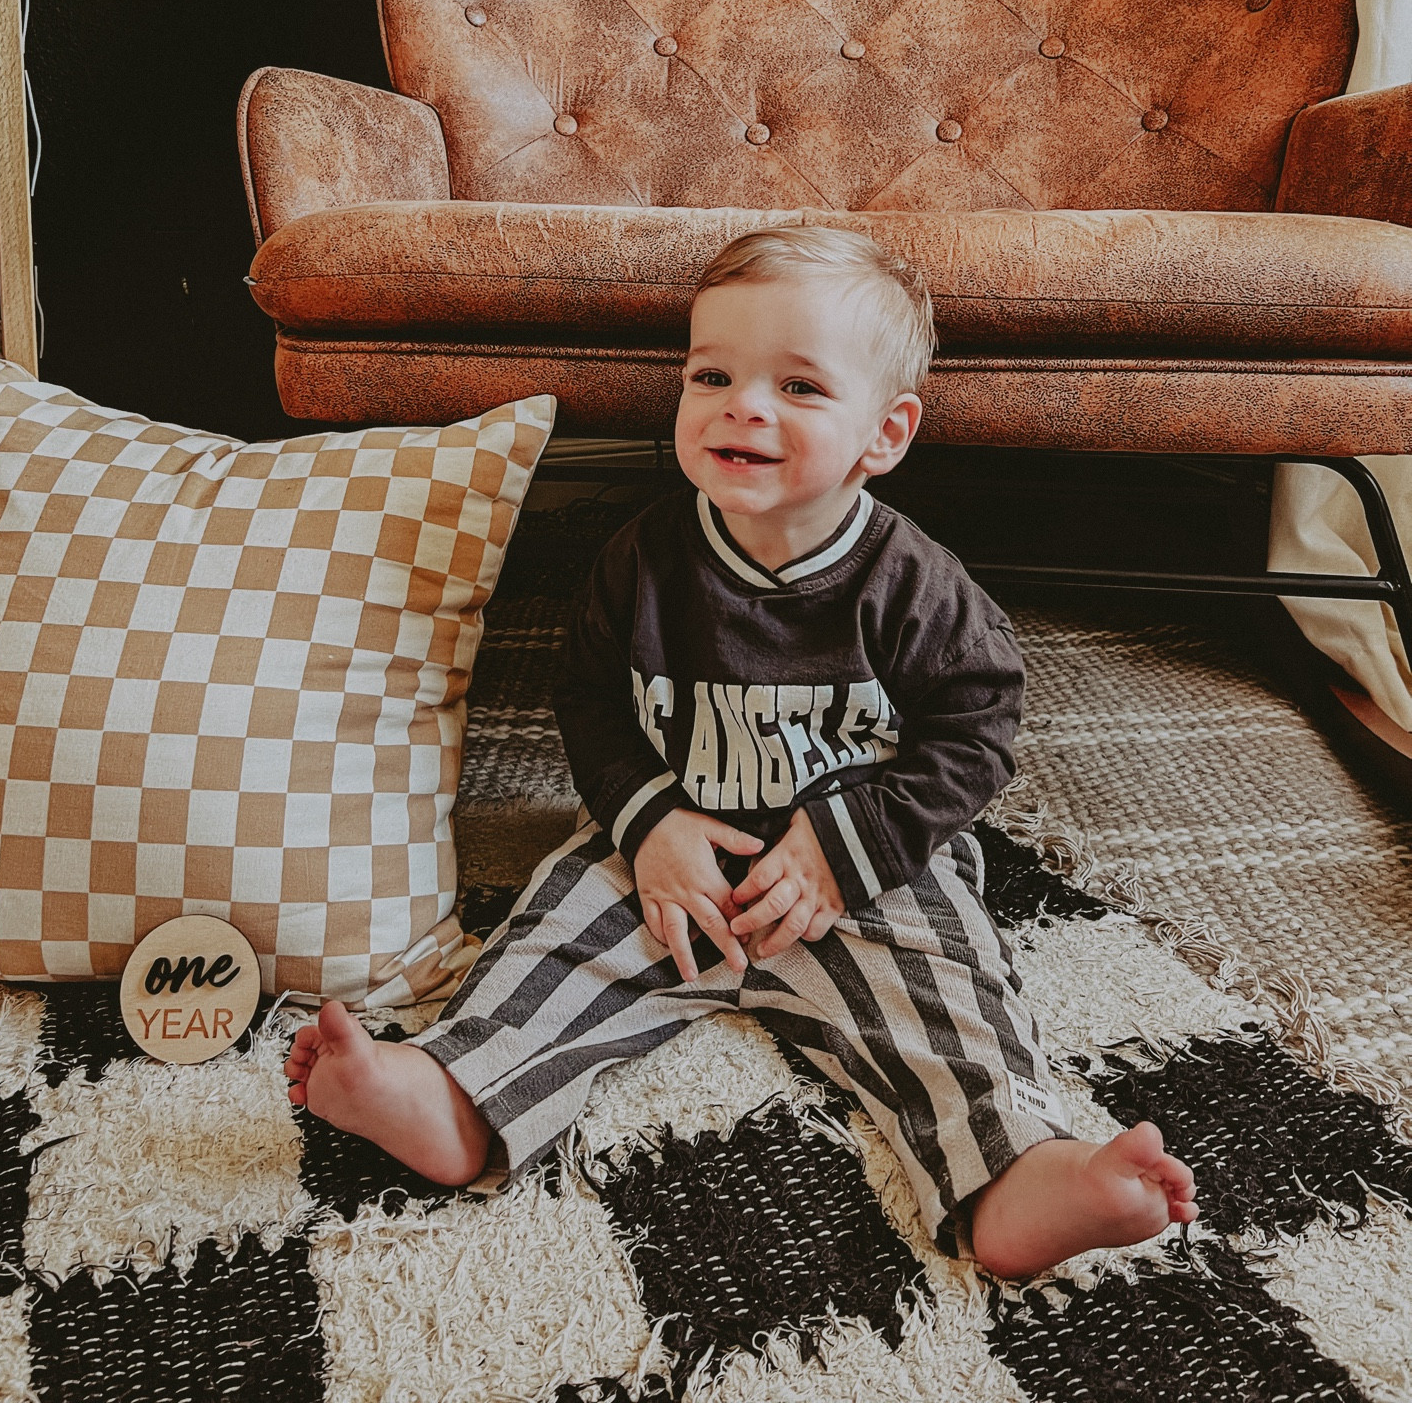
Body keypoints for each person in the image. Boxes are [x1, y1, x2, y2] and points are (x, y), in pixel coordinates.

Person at [286, 226, 1197, 1275]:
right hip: (678, 847)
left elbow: (977, 727)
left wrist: (848, 845)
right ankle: (448, 1093)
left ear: (884, 434)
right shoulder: (641, 558)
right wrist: (649, 819)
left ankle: (1022, 1175)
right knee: (555, 938)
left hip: (862, 864)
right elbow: (587, 696)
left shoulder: (914, 585)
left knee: (951, 994)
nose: (742, 404)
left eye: (800, 387)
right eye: (711, 372)